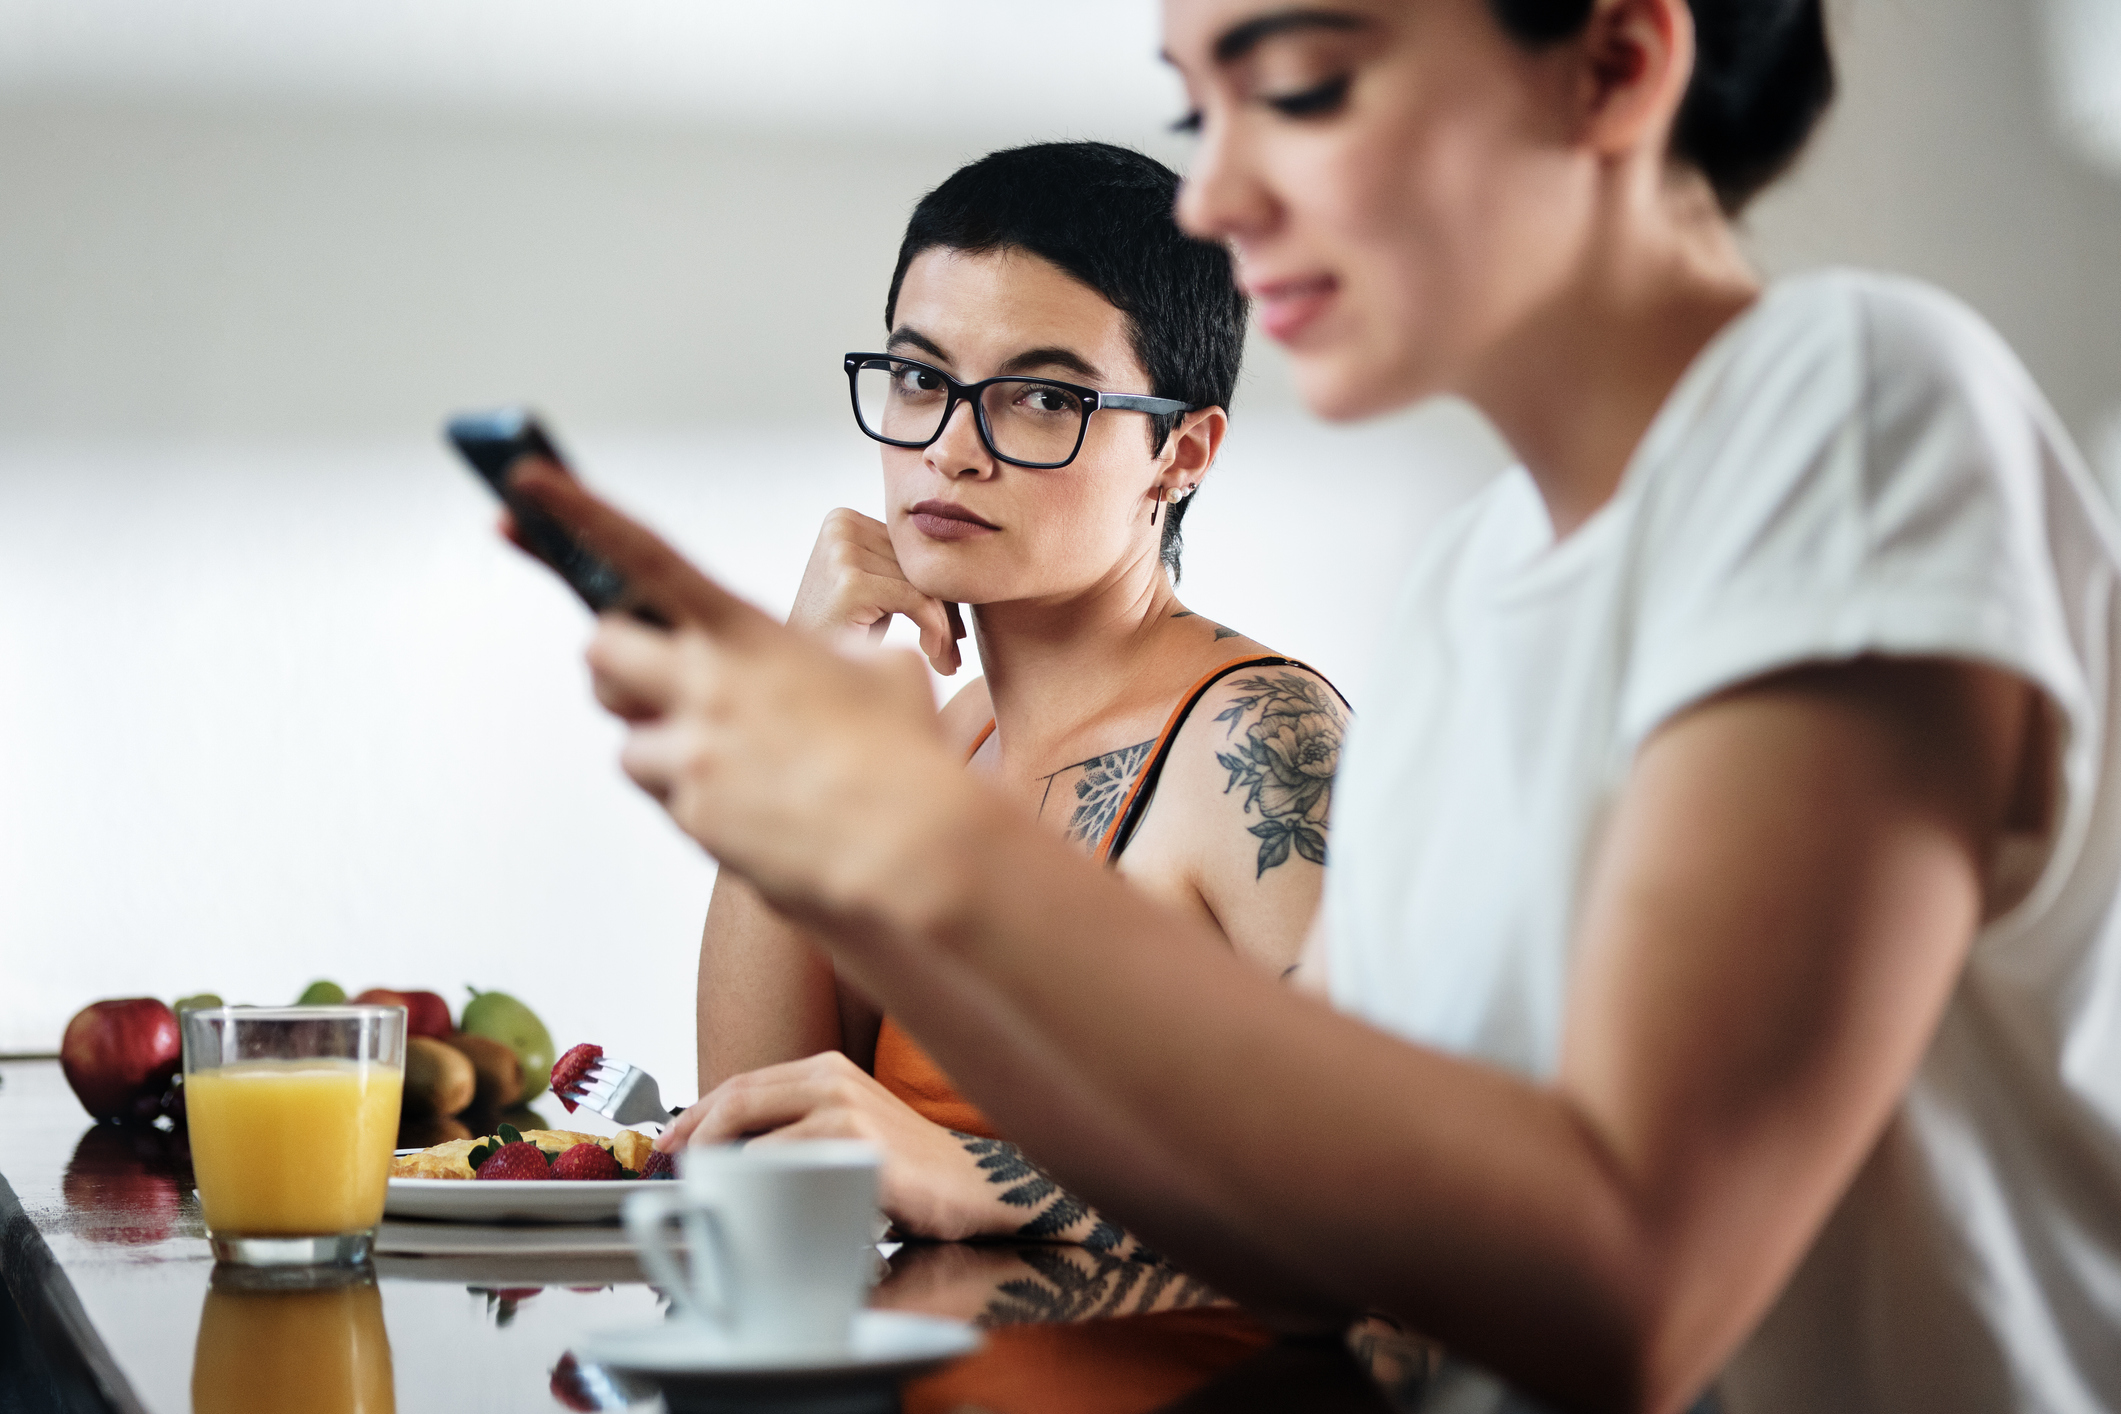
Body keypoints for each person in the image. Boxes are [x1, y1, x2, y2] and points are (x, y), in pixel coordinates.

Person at [515, 0, 2121, 1409]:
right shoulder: (1471, 584)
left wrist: (913, 848)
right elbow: (1308, 1238)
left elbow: (1639, 1281)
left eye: (1294, 86)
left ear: (1615, 65)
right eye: (1191, 106)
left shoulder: (1849, 402)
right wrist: (819, 829)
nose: (1213, 192)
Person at [664, 142, 1345, 1248]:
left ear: (1181, 451)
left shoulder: (1253, 741)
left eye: (1039, 397)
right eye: (922, 378)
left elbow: (1409, 1196)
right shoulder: (951, 742)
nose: (950, 445)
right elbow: (762, 1136)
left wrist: (986, 1177)